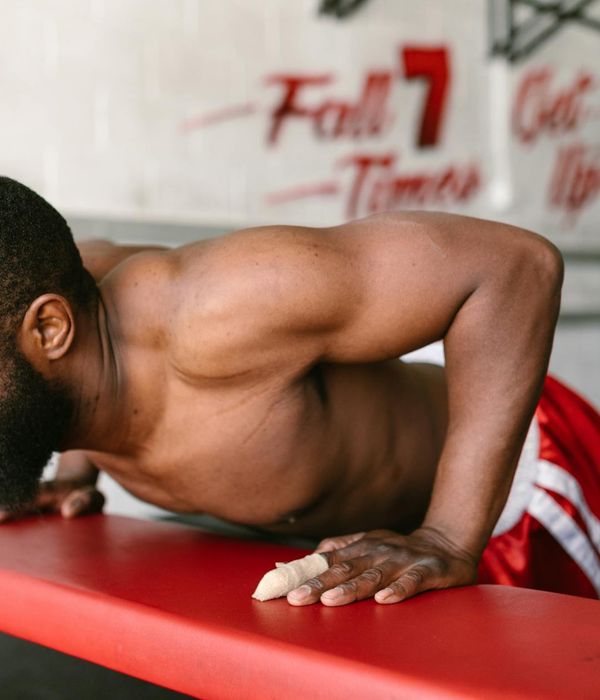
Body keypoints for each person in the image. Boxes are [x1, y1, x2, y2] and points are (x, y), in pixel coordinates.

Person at [0, 176, 597, 606]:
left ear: (51, 328)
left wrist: (446, 535)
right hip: (385, 548)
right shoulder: (68, 313)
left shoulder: (220, 307)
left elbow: (516, 266)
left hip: (529, 489)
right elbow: (74, 366)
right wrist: (76, 471)